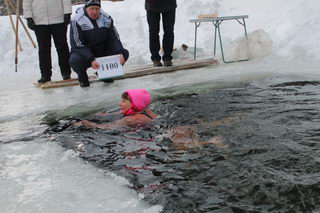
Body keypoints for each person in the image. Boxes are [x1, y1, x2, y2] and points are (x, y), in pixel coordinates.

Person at [69, 0, 129, 87]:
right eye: (92, 9)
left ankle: (104, 74)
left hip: (102, 51)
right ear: (86, 8)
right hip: (85, 53)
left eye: (97, 9)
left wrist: (119, 52)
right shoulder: (77, 20)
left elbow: (114, 39)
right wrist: (91, 59)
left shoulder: (107, 18)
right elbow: (78, 45)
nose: (94, 12)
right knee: (75, 60)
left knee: (124, 53)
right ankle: (83, 80)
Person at [23, 0, 72, 83]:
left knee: (62, 47)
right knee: (43, 49)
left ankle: (66, 73)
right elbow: (27, 2)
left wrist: (67, 13)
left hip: (58, 19)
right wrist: (28, 17)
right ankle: (45, 75)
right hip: (39, 21)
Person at [73, 89, 157, 129]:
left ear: (134, 104)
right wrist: (105, 115)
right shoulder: (147, 112)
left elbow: (107, 127)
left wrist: (87, 123)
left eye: (124, 101)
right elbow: (121, 113)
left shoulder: (130, 119)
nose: (119, 104)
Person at [145, 0, 177, 67]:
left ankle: (167, 57)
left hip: (169, 4)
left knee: (169, 31)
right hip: (152, 4)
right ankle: (155, 58)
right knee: (153, 31)